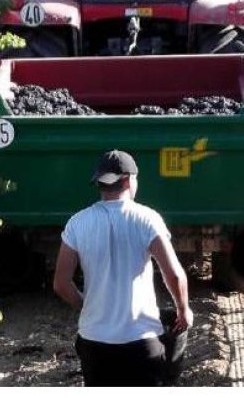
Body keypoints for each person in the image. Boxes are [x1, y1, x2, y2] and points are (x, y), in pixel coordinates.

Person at [52, 149, 193, 387]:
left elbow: (61, 283)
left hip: (94, 345)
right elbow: (174, 274)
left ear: (99, 182)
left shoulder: (77, 223)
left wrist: (87, 306)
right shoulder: (147, 219)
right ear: (128, 180)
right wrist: (183, 310)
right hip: (141, 343)